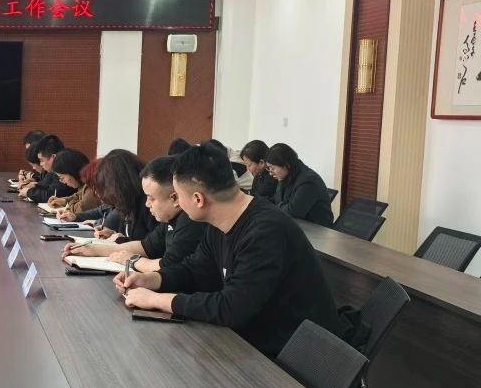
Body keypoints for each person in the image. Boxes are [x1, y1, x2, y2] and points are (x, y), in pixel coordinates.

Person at [118, 144, 346, 357]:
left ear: (198, 199)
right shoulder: (221, 222)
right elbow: (196, 269)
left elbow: (232, 307)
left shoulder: (265, 231)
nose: (178, 202)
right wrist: (153, 280)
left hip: (297, 356)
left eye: (178, 195)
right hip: (261, 340)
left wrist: (157, 300)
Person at [65, 156, 204, 273]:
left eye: (151, 198)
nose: (147, 204)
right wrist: (93, 249)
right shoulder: (170, 219)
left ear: (175, 198)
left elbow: (168, 266)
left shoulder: (189, 220)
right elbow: (145, 246)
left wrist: (132, 260)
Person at [88, 149, 155, 241]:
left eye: (107, 186)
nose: (107, 192)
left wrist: (122, 240)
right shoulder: (129, 202)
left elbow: (154, 245)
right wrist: (112, 234)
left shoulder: (149, 204)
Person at [266, 143, 333, 227]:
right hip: (295, 225)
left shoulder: (308, 180)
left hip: (316, 229)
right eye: (269, 168)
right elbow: (277, 201)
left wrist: (276, 206)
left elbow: (293, 212)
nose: (270, 173)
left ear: (287, 164)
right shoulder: (286, 176)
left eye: (272, 168)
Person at [20, 135, 75, 203]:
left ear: (53, 157)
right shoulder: (53, 171)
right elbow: (44, 184)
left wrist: (28, 192)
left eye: (41, 160)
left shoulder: (63, 170)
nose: (40, 164)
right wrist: (35, 185)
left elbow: (51, 195)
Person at [45, 149, 99, 215]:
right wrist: (64, 201)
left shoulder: (91, 186)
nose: (62, 181)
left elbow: (79, 210)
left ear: (72, 172)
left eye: (62, 177)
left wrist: (67, 204)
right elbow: (77, 196)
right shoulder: (83, 186)